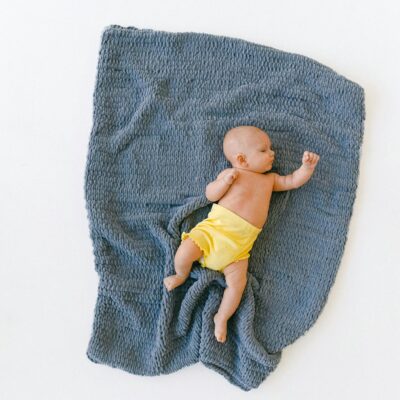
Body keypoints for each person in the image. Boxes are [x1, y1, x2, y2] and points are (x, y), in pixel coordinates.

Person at [163, 125, 320, 343]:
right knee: (184, 252)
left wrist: (306, 168)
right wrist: (223, 183)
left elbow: (292, 181)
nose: (272, 153)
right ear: (242, 159)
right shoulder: (232, 174)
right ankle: (180, 275)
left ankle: (221, 317)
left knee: (237, 285)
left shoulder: (270, 180)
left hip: (238, 249)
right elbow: (210, 194)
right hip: (213, 233)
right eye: (264, 150)